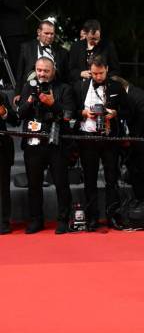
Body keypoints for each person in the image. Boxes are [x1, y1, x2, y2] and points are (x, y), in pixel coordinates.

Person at [17, 57, 75, 234]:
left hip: (56, 143)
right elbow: (20, 114)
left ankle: (64, 219)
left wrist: (53, 104)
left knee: (61, 183)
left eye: (46, 70)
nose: (41, 74)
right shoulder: (28, 87)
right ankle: (36, 220)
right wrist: (29, 100)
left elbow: (69, 116)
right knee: (34, 184)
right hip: (33, 143)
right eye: (39, 70)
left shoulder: (64, 88)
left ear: (53, 71)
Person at [74, 55, 129, 231]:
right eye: (94, 73)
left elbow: (127, 109)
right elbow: (69, 108)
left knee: (111, 178)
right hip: (87, 137)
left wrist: (115, 113)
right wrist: (83, 113)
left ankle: (113, 215)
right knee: (89, 179)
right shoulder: (80, 86)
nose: (98, 77)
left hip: (109, 138)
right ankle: (92, 218)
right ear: (90, 70)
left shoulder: (116, 86)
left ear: (107, 69)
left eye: (101, 73)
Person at [111, 76, 144, 206]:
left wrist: (131, 139)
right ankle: (143, 205)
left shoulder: (138, 95)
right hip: (131, 144)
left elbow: (142, 119)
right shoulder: (123, 96)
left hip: (143, 143)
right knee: (135, 176)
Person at [14, 20, 70, 103]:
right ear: (39, 32)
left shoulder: (62, 52)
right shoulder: (26, 47)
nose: (50, 36)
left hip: (54, 91)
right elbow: (20, 72)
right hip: (30, 90)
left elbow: (66, 76)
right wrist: (17, 93)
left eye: (52, 34)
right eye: (46, 33)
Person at [0, 0, 25, 87]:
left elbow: (13, 4)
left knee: (15, 61)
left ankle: (16, 86)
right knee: (5, 61)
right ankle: (6, 83)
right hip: (4, 34)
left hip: (14, 34)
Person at [0, 89, 18, 234]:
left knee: (2, 189)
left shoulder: (2, 96)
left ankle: (3, 223)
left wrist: (4, 112)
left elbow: (15, 119)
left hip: (1, 149)